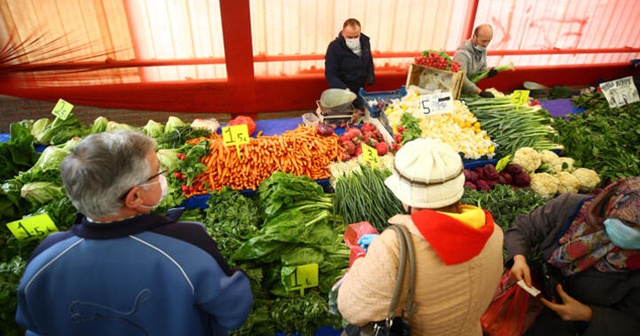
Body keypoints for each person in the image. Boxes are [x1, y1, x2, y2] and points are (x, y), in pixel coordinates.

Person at [15, 130, 252, 336]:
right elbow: (233, 312)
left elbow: (34, 326)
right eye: (158, 173)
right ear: (135, 197)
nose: (163, 179)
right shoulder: (188, 244)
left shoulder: (44, 257)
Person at [337, 138, 504, 335]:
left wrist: (368, 259)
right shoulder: (494, 233)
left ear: (407, 199)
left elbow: (351, 309)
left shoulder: (396, 248)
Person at [506, 177, 640, 336]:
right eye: (629, 224)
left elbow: (633, 324)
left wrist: (587, 314)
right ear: (612, 203)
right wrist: (519, 258)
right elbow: (523, 228)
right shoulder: (570, 207)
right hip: (530, 303)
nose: (634, 233)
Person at [325, 18, 375, 110]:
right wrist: (344, 90)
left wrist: (370, 74)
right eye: (349, 37)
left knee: (360, 114)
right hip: (343, 90)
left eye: (356, 36)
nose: (353, 40)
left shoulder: (365, 41)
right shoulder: (334, 47)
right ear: (343, 32)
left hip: (360, 87)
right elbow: (330, 73)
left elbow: (369, 58)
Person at [453, 24, 498, 98]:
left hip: (470, 92)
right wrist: (480, 92)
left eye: (488, 41)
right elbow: (461, 78)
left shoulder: (482, 50)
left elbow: (482, 69)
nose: (486, 44)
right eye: (483, 41)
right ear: (474, 37)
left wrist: (488, 73)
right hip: (457, 93)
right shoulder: (462, 54)